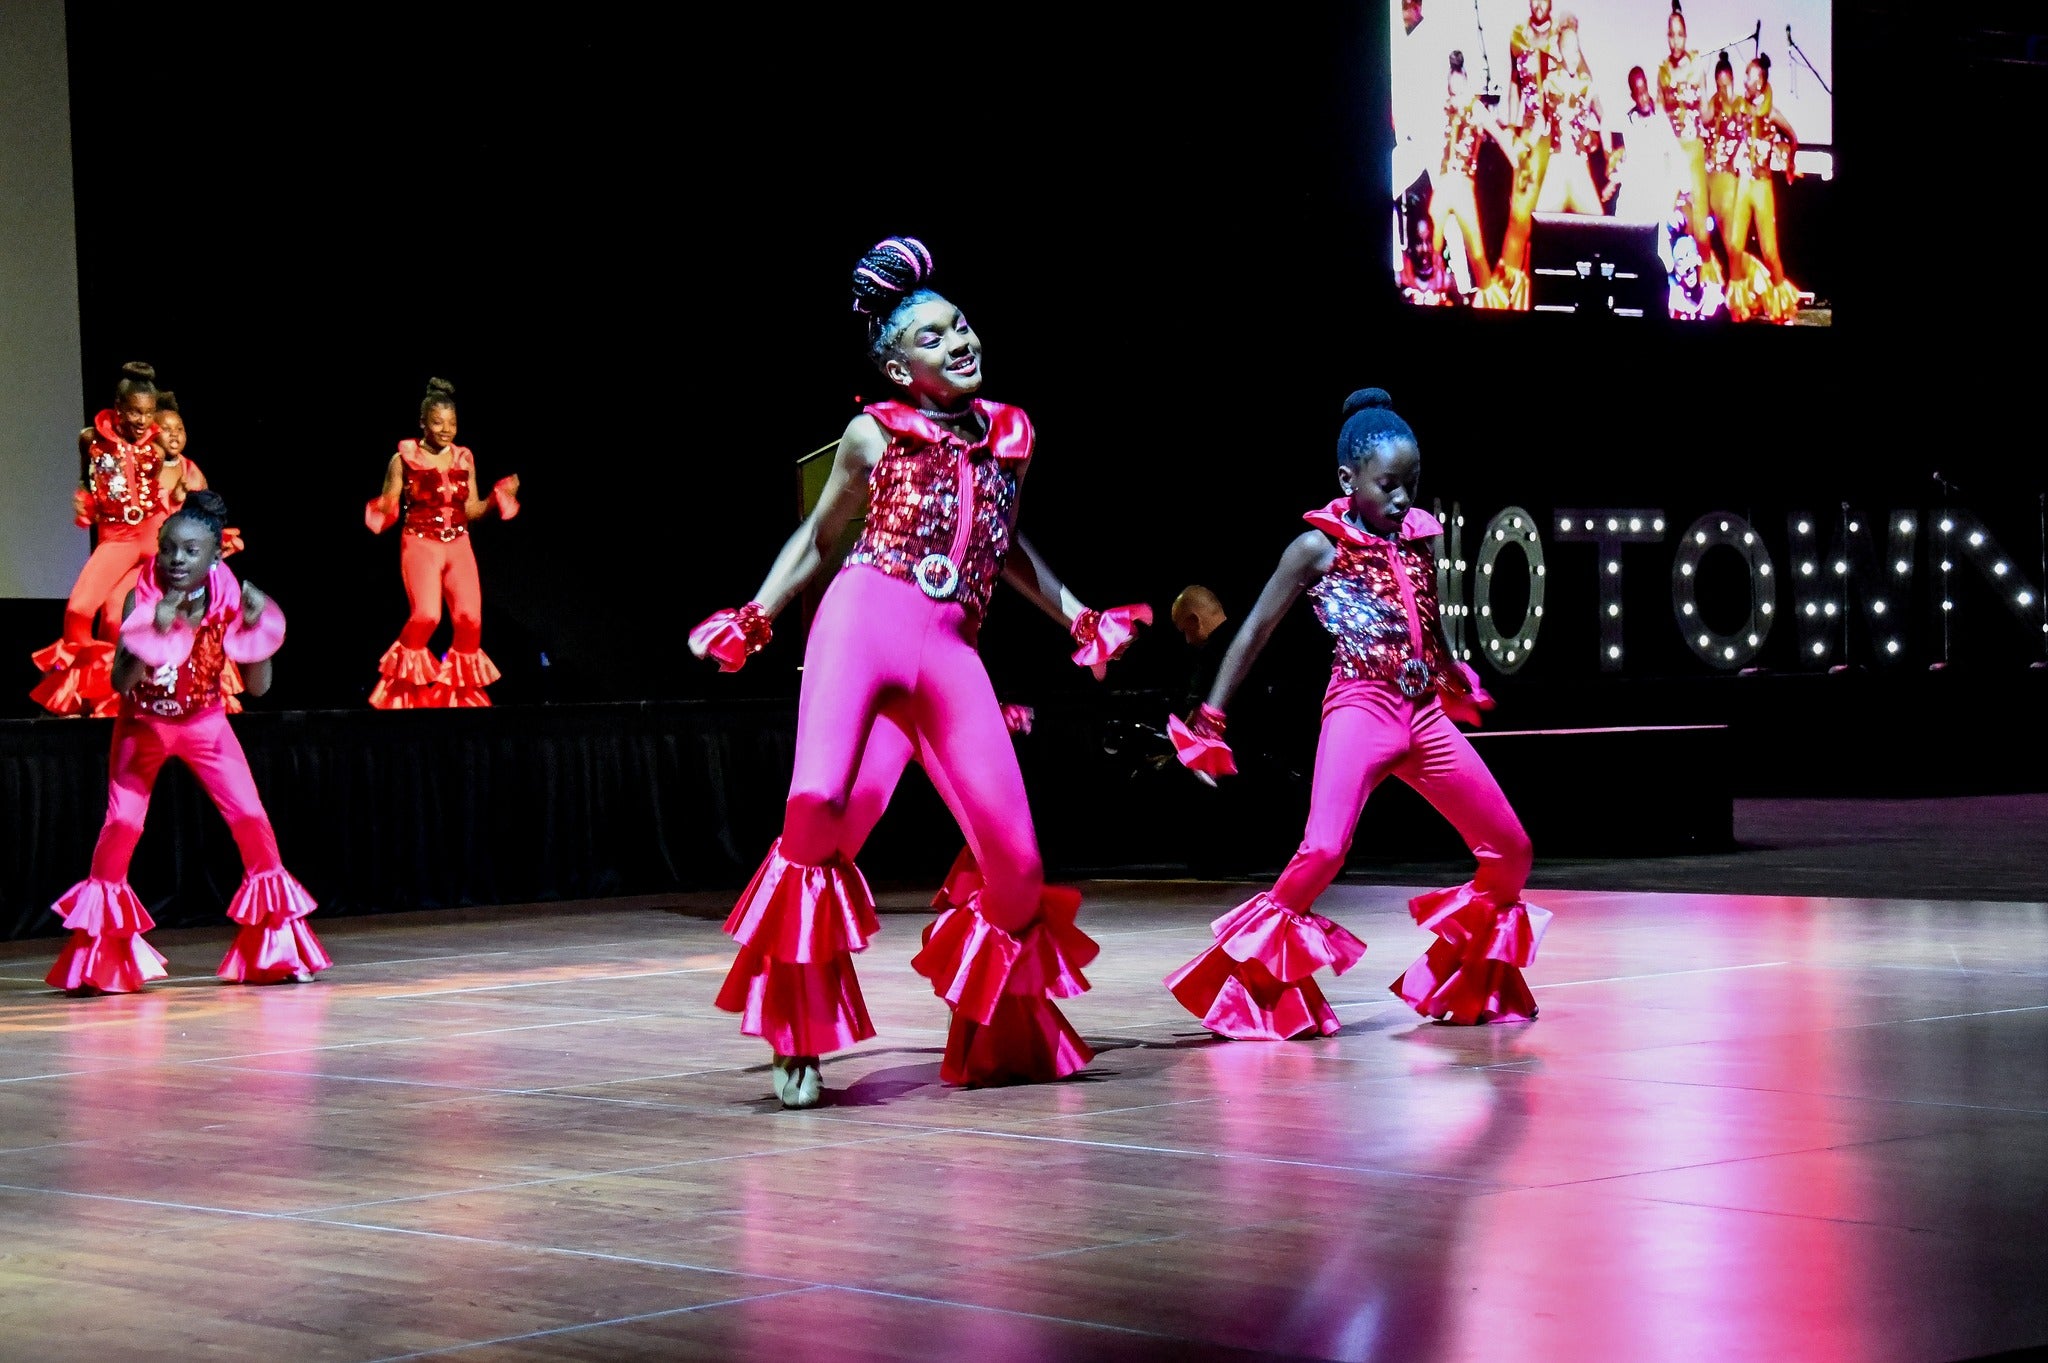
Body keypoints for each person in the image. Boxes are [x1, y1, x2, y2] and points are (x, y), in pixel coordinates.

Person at [690, 237, 1146, 1107]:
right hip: (866, 617)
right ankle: (797, 1030)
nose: (959, 342)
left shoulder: (1013, 433)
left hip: (950, 650)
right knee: (820, 808)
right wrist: (755, 616)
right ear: (900, 368)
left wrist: (1081, 615)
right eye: (934, 338)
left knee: (1016, 866)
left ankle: (995, 1031)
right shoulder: (873, 433)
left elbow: (1006, 549)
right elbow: (821, 538)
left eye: (962, 325)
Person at [1163, 389, 1547, 1038]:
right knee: (1323, 849)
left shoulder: (1418, 538)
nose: (1402, 499)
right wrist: (1211, 717)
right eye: (1389, 486)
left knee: (1511, 849)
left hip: (1423, 716)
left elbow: (1428, 616)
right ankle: (1247, 986)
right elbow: (1254, 630)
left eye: (1411, 485)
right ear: (1349, 480)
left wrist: (1453, 674)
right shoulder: (1317, 548)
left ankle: (1467, 975)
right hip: (1359, 709)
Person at [44, 490, 328, 994]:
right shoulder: (142, 594)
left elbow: (258, 685)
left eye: (191, 551)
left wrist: (257, 626)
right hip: (143, 726)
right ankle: (99, 961)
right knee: (122, 825)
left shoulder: (231, 595)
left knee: (250, 818)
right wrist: (152, 629)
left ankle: (278, 951)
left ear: (215, 556)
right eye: (169, 548)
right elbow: (120, 684)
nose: (177, 560)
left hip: (205, 723)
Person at [31, 363, 219, 716]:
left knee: (117, 619)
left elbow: (166, 485)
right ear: (117, 409)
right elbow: (88, 479)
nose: (142, 420)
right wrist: (84, 496)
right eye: (134, 411)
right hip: (117, 539)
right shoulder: (91, 438)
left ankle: (112, 698)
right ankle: (82, 695)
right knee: (79, 613)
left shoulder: (156, 449)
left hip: (150, 537)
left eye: (148, 413)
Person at [364, 378, 521, 707]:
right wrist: (382, 510)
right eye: (437, 422)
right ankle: (401, 693)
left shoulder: (464, 457)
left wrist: (497, 497)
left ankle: (458, 697)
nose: (446, 429)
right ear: (423, 423)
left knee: (470, 619)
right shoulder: (404, 458)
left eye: (452, 423)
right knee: (427, 615)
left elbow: (472, 509)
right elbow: (389, 501)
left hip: (458, 542)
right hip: (421, 542)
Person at [1725, 55, 1803, 323]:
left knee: (1770, 252)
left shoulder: (1771, 112)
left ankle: (1782, 305)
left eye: (1748, 76)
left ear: (1759, 81)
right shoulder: (1741, 108)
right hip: (1743, 183)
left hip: (1762, 185)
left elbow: (1792, 136)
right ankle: (1739, 305)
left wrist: (1790, 161)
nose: (1744, 80)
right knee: (1734, 246)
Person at [1657, 2, 1721, 288]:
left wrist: (1720, 106)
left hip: (1693, 148)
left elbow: (1706, 112)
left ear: (1686, 35)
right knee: (1664, 216)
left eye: (1680, 34)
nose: (1675, 40)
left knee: (1699, 219)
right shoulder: (1662, 72)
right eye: (1671, 34)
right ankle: (1665, 284)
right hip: (1671, 150)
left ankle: (1706, 287)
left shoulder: (1697, 66)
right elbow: (1659, 116)